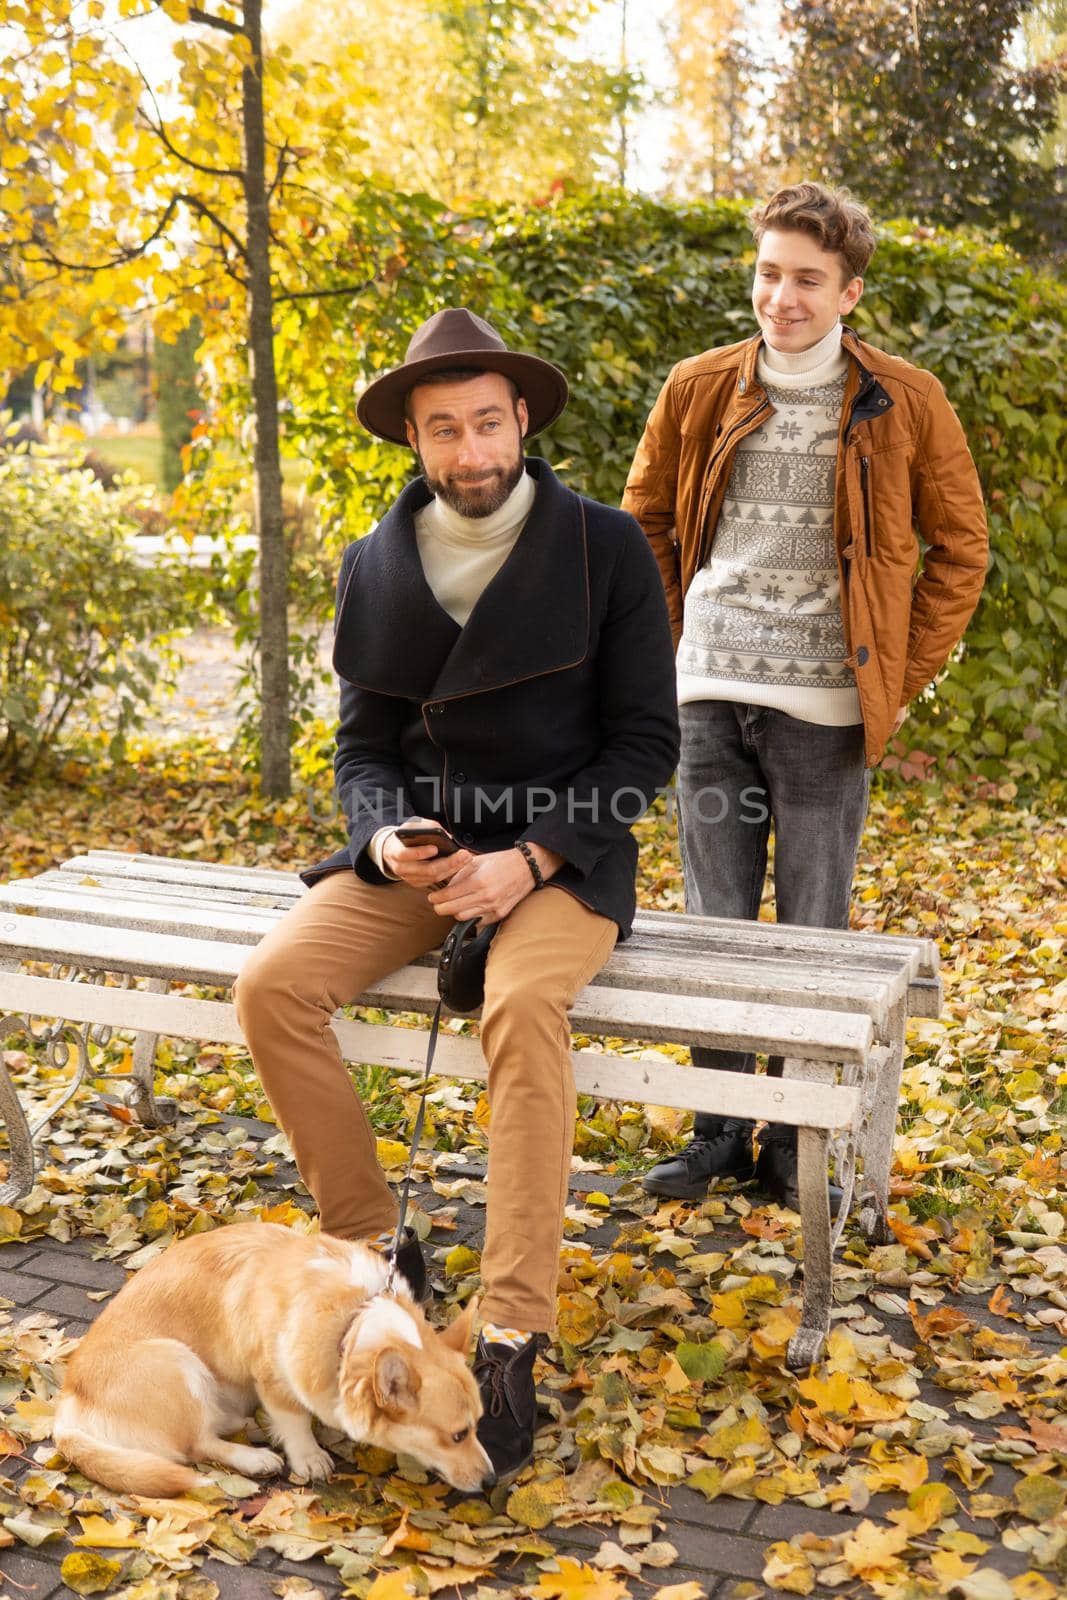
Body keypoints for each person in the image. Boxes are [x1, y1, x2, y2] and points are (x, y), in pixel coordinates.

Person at [233, 308, 679, 1483]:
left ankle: (509, 1333)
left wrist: (527, 861)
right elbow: (359, 750)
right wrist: (383, 841)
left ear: (521, 420)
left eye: (488, 421)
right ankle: (374, 1251)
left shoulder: (604, 546)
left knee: (521, 1014)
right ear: (416, 443)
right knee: (272, 987)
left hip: (557, 859)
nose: (470, 450)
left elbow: (642, 745)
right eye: (445, 430)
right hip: (425, 858)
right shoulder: (372, 564)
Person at [623, 182, 987, 1210]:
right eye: (768, 273)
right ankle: (716, 1132)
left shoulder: (902, 400)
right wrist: (668, 648)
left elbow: (961, 548)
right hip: (707, 691)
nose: (780, 297)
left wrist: (897, 676)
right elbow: (641, 521)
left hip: (827, 709)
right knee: (713, 918)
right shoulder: (697, 388)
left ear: (848, 293)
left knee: (811, 928)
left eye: (806, 280)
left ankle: (796, 1136)